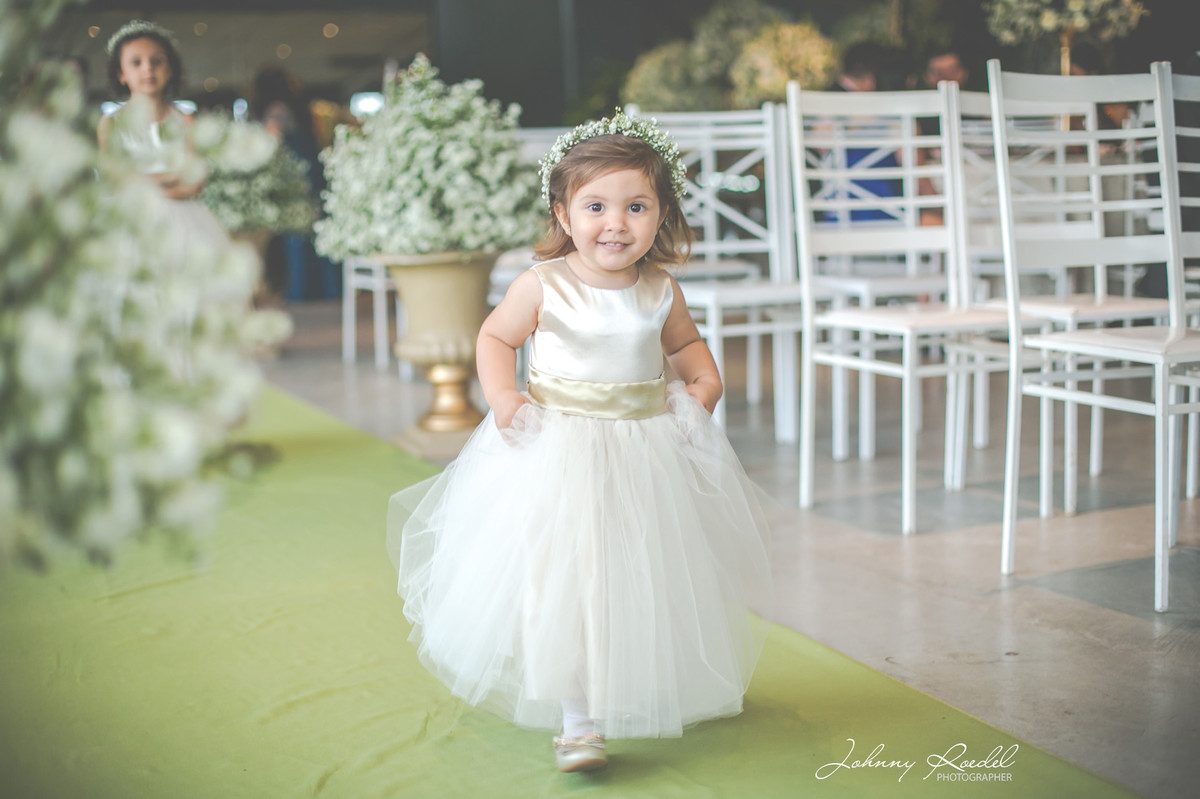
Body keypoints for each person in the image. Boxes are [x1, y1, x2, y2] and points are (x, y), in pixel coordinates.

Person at [386, 111, 773, 774]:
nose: (615, 223)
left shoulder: (659, 290)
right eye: (596, 206)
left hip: (643, 454)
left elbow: (685, 345)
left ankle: (626, 684)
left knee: (635, 571)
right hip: (556, 450)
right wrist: (503, 397)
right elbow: (495, 337)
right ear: (563, 215)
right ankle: (577, 720)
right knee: (563, 577)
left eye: (636, 207)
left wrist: (704, 385)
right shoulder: (544, 284)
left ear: (661, 214)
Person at [251, 65, 337, 301]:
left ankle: (303, 290)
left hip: (297, 177)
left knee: (297, 235)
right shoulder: (299, 109)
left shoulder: (276, 110)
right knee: (312, 233)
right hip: (311, 172)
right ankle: (324, 288)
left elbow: (269, 143)